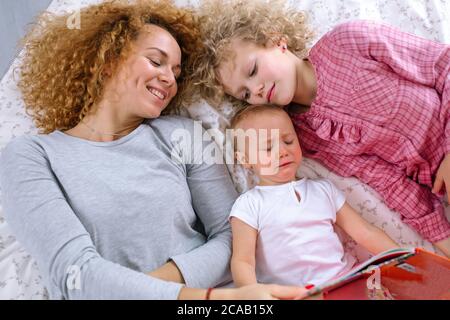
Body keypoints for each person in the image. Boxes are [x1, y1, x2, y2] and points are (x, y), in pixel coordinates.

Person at [0, 0, 307, 300]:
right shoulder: (31, 156)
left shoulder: (182, 134)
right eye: (156, 61)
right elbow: (74, 274)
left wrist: (146, 290)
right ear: (107, 61)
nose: (169, 79)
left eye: (175, 72)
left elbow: (232, 235)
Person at [193, 0, 450, 257]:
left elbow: (444, 66)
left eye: (253, 70)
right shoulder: (304, 134)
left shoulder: (347, 41)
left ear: (276, 40)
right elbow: (386, 180)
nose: (256, 90)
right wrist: (442, 238)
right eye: (245, 93)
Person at [228, 105, 399, 287]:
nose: (283, 151)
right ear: (245, 160)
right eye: (269, 148)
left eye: (288, 141)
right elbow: (243, 261)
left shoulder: (323, 190)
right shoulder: (249, 205)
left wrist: (406, 258)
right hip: (293, 295)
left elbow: (365, 232)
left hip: (344, 281)